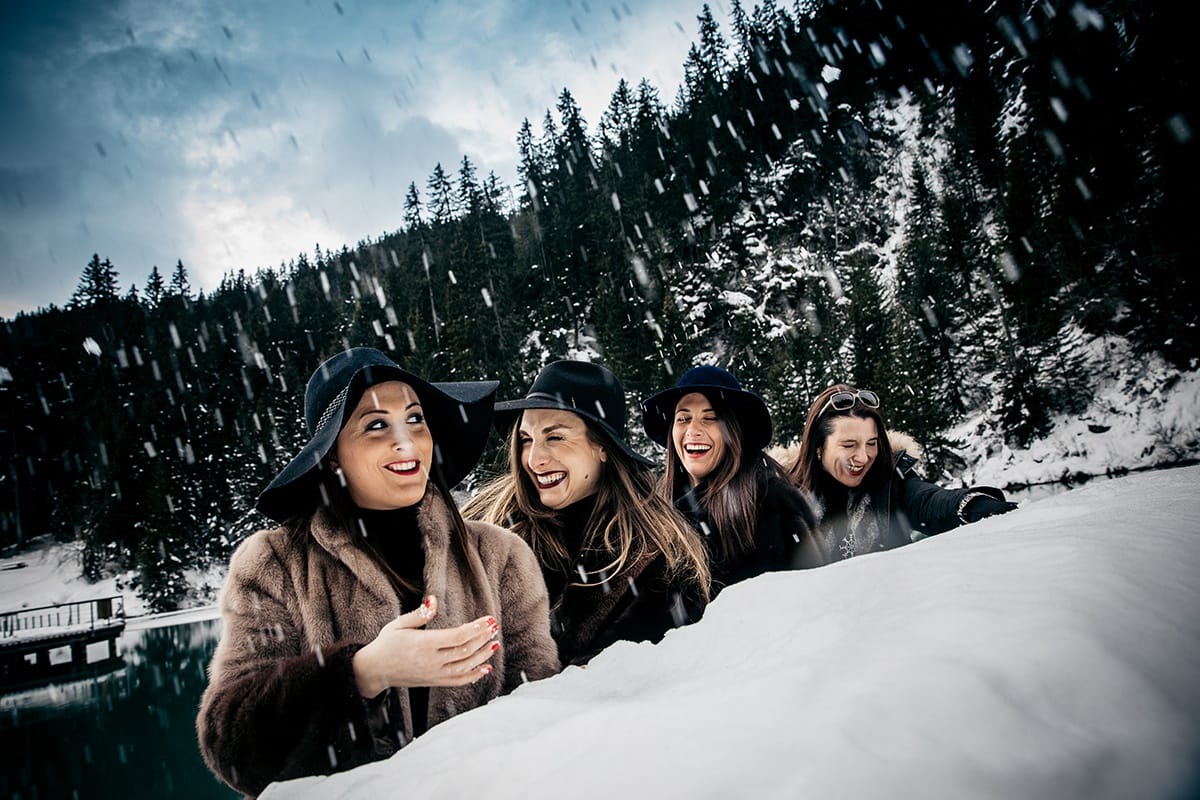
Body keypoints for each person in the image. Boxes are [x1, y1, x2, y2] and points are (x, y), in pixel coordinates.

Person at [197, 348, 559, 797]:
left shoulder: (501, 556)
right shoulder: (272, 563)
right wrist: (364, 672)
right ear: (333, 457)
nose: (406, 442)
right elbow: (229, 743)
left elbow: (542, 711)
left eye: (415, 419)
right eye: (375, 426)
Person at [462, 360, 711, 666]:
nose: (534, 458)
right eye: (527, 440)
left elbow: (655, 681)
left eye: (555, 437)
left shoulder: (660, 558)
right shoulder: (486, 527)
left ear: (602, 447)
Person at [785, 384, 1017, 564]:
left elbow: (928, 501)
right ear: (818, 447)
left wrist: (973, 506)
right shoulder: (785, 496)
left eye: (872, 443)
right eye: (849, 445)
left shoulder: (890, 481)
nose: (864, 457)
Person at [642, 365, 821, 595]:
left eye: (710, 418)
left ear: (734, 432)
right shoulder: (657, 513)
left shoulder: (771, 502)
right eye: (683, 418)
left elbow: (812, 602)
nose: (693, 430)